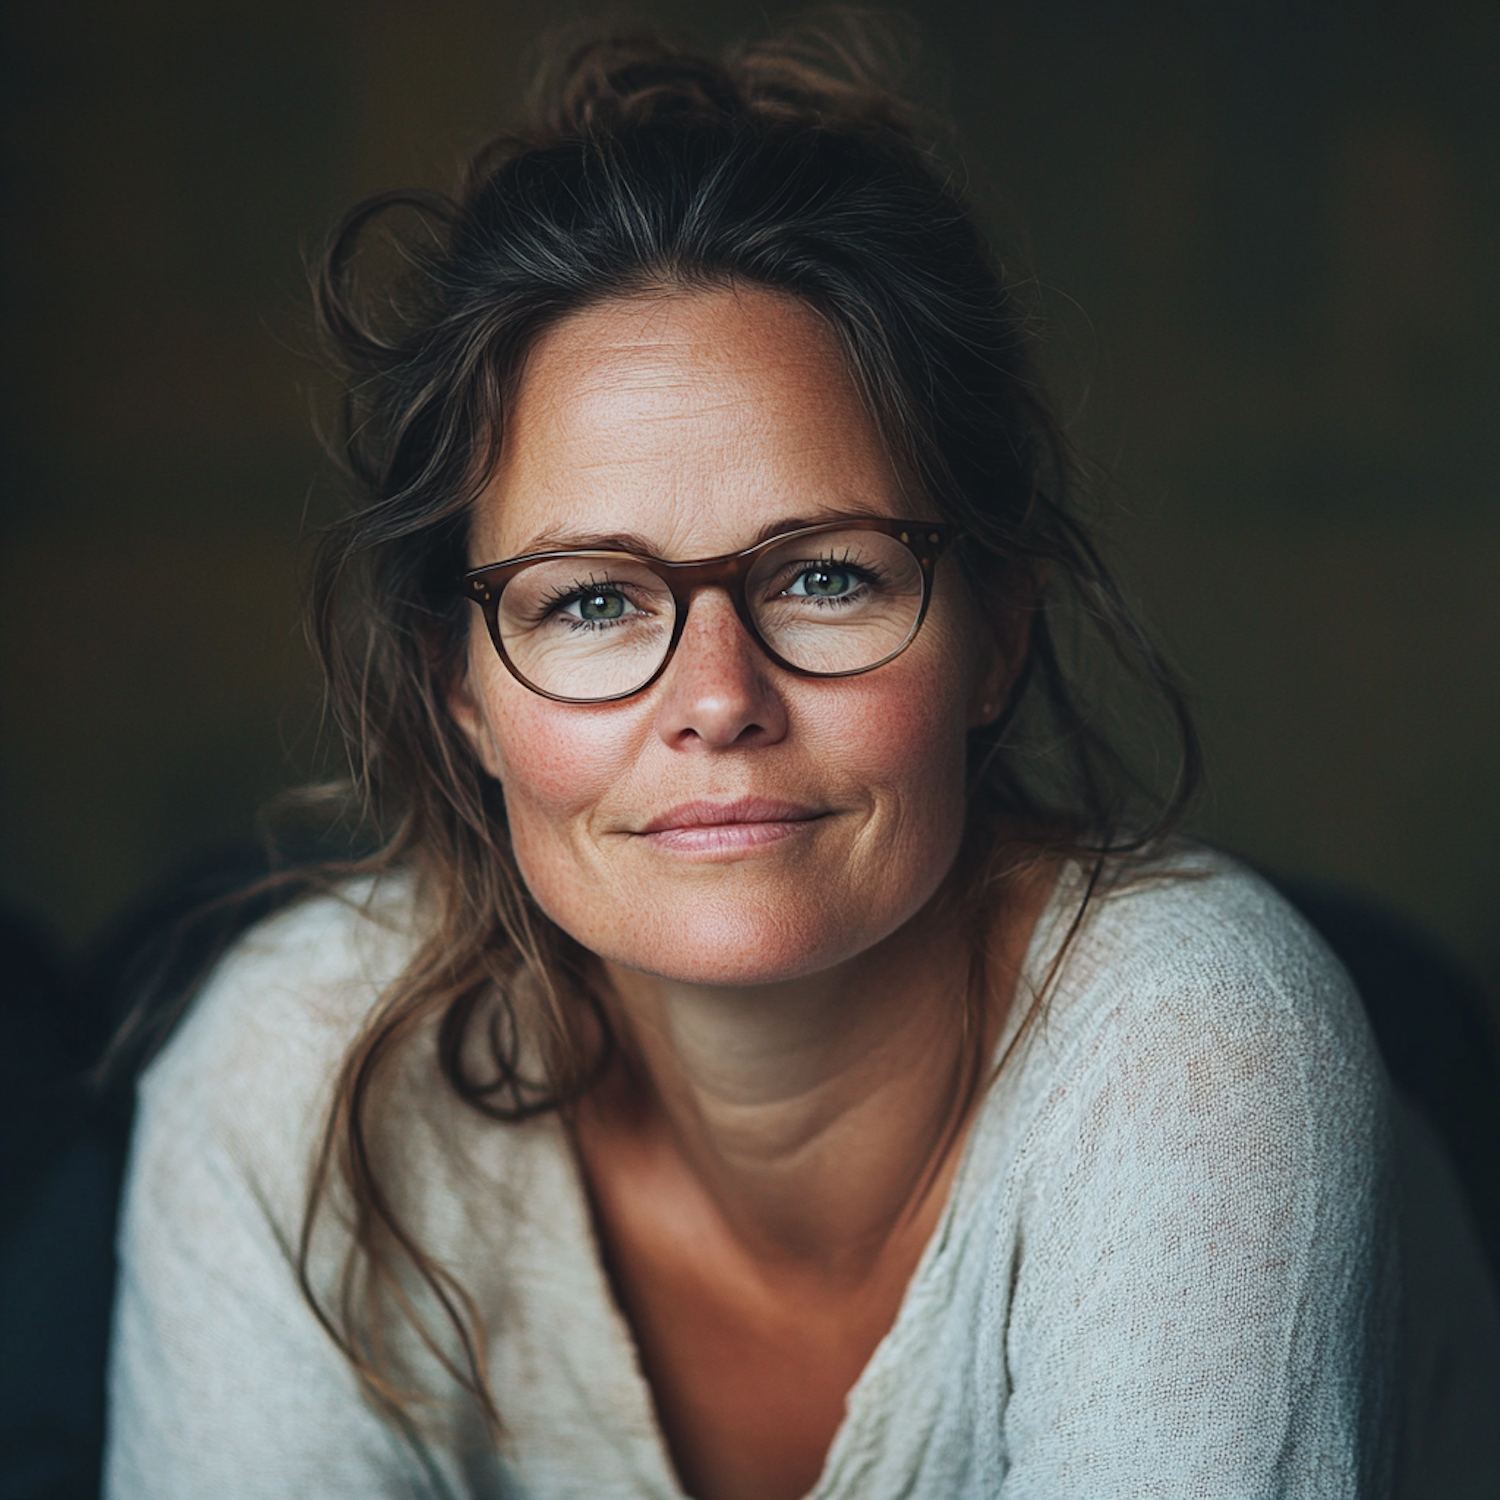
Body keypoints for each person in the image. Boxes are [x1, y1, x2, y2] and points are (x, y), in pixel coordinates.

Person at [104, 18, 1417, 1499]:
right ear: (456, 688)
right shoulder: (299, 1062)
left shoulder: (1196, 1050)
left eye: (827, 578)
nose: (718, 699)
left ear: (994, 633)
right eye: (592, 601)